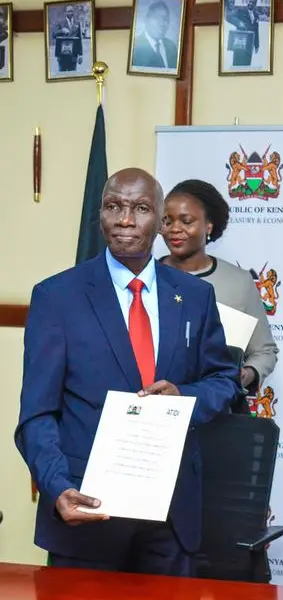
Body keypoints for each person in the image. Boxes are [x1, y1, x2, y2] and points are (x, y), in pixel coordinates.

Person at [14, 168, 241, 575]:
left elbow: (224, 382)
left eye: (139, 209)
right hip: (86, 511)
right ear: (99, 214)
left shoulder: (193, 296)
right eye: (113, 207)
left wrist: (184, 397)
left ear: (159, 219)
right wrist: (56, 486)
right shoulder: (56, 297)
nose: (125, 220)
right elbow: (37, 414)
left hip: (171, 518)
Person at [159, 179, 279, 404]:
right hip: (158, 408)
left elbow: (265, 351)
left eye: (186, 221)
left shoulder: (239, 282)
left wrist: (245, 375)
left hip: (218, 409)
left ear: (209, 226)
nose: (175, 229)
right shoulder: (146, 279)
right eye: (167, 221)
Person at [132, 1, 179, 70]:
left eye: (165, 19)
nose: (162, 23)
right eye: (156, 18)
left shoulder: (171, 47)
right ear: (146, 20)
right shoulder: (135, 47)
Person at [51, 4, 84, 73]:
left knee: (73, 75)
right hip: (62, 55)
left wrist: (80, 55)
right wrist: (62, 31)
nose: (70, 13)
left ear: (73, 12)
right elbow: (53, 35)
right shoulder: (60, 23)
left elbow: (79, 39)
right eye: (68, 11)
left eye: (72, 11)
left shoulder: (77, 23)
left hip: (73, 55)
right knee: (62, 75)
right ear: (65, 12)